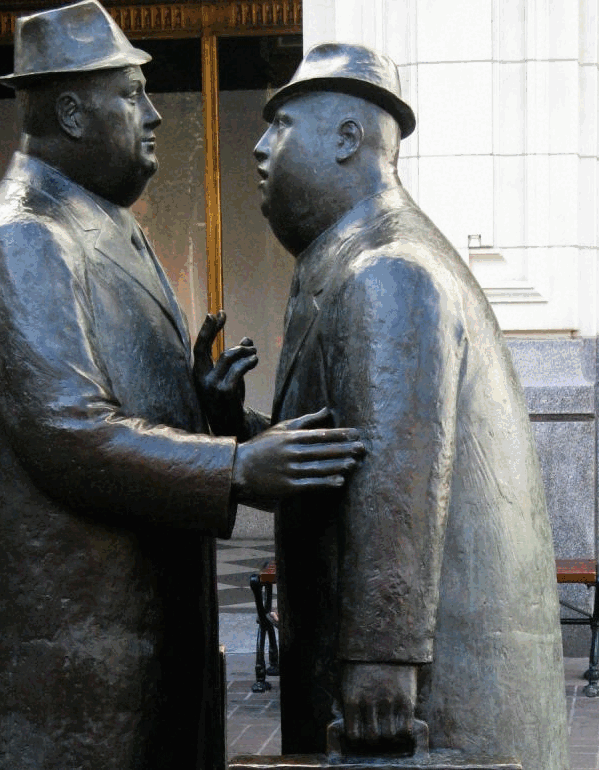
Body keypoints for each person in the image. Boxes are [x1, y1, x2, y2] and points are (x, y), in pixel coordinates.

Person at [0, 3, 363, 768]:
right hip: (66, 673)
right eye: (131, 94)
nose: (155, 113)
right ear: (69, 109)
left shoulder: (101, 224)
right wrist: (236, 467)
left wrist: (206, 408)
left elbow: (112, 410)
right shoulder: (24, 237)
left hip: (137, 653)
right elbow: (67, 433)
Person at [203, 42, 570, 768]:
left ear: (347, 138)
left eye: (282, 126)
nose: (259, 146)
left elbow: (400, 480)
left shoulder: (388, 271)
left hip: (411, 708)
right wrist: (236, 433)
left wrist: (381, 658)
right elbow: (353, 461)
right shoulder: (346, 263)